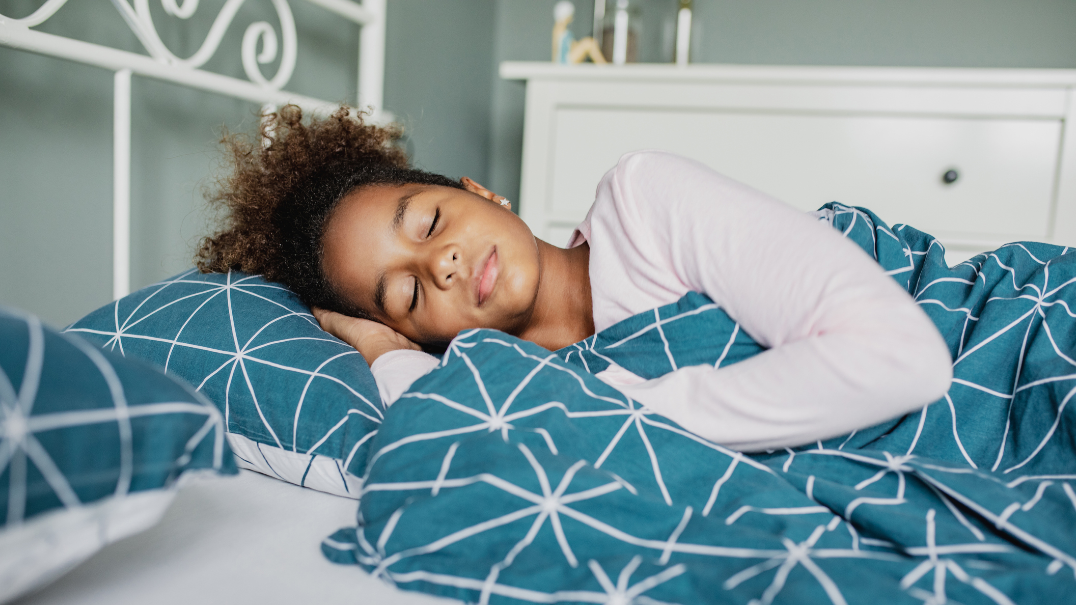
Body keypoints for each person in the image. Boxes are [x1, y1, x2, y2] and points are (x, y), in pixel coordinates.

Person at [198, 105, 952, 451]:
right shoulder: (496, 387)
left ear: (481, 193)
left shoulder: (643, 201)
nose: (442, 263)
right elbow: (451, 430)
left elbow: (902, 356)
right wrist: (381, 352)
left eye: (428, 223)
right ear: (414, 334)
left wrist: (638, 410)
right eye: (409, 293)